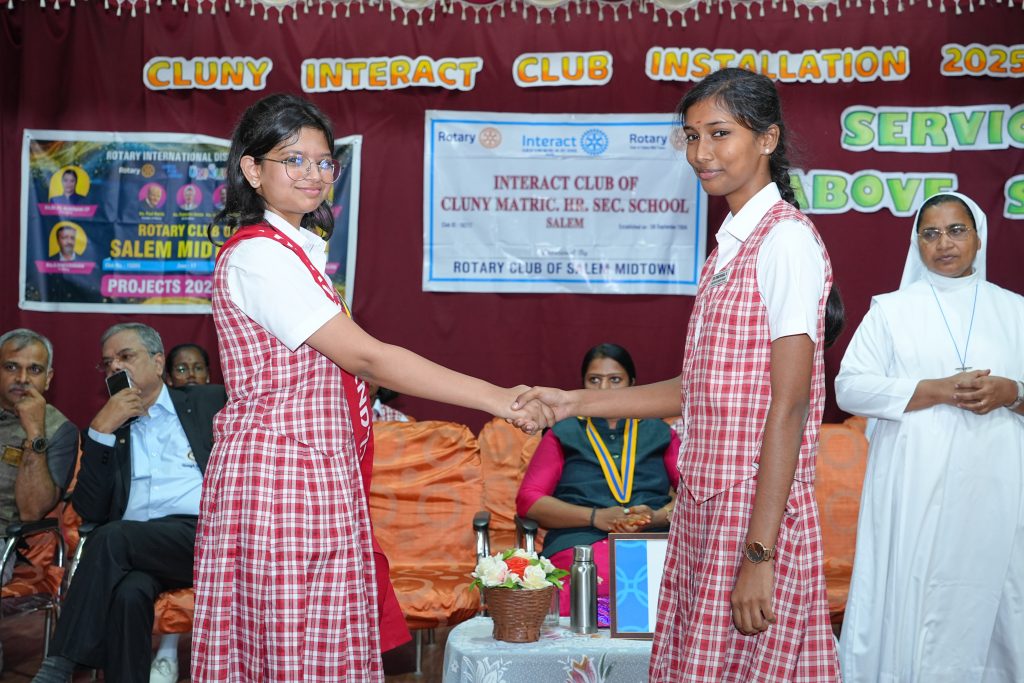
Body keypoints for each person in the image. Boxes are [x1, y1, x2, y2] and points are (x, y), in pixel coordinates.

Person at [189, 93, 541, 682]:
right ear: (251, 169)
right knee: (292, 649)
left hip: (316, 470)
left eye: (323, 162)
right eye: (292, 160)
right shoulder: (260, 257)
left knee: (322, 642)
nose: (312, 174)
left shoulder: (297, 253)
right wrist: (499, 399)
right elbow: (369, 358)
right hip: (281, 476)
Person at [515, 68, 842, 681]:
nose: (701, 153)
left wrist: (760, 554)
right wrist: (571, 403)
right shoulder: (730, 247)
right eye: (692, 137)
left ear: (767, 139)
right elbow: (697, 389)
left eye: (719, 133)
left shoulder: (785, 242)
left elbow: (791, 405)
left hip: (752, 512)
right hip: (703, 510)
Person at [835, 192, 1024, 681]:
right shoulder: (892, 311)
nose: (944, 243)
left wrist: (1012, 392)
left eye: (957, 230)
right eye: (931, 233)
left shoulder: (1015, 311)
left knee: (993, 597)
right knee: (912, 593)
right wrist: (936, 390)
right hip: (913, 484)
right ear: (916, 242)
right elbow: (849, 387)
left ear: (979, 237)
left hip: (996, 489)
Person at [32, 323, 227, 683]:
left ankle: (59, 663)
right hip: (136, 548)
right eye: (107, 363)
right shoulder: (111, 428)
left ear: (158, 362)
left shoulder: (206, 402)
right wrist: (100, 433)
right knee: (129, 593)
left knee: (111, 537)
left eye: (125, 356)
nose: (115, 368)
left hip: (201, 538)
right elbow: (90, 510)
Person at [516, 342, 680, 618]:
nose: (604, 389)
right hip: (579, 541)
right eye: (594, 380)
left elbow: (694, 494)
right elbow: (528, 501)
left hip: (651, 541)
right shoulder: (563, 431)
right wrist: (595, 517)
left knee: (652, 587)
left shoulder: (660, 431)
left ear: (633, 384)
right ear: (582, 385)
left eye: (615, 380)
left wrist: (656, 517)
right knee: (592, 583)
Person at [0, 329, 78, 584]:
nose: (22, 379)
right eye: (11, 367)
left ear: (48, 379)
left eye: (34, 370)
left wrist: (34, 432)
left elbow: (31, 511)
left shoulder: (59, 429)